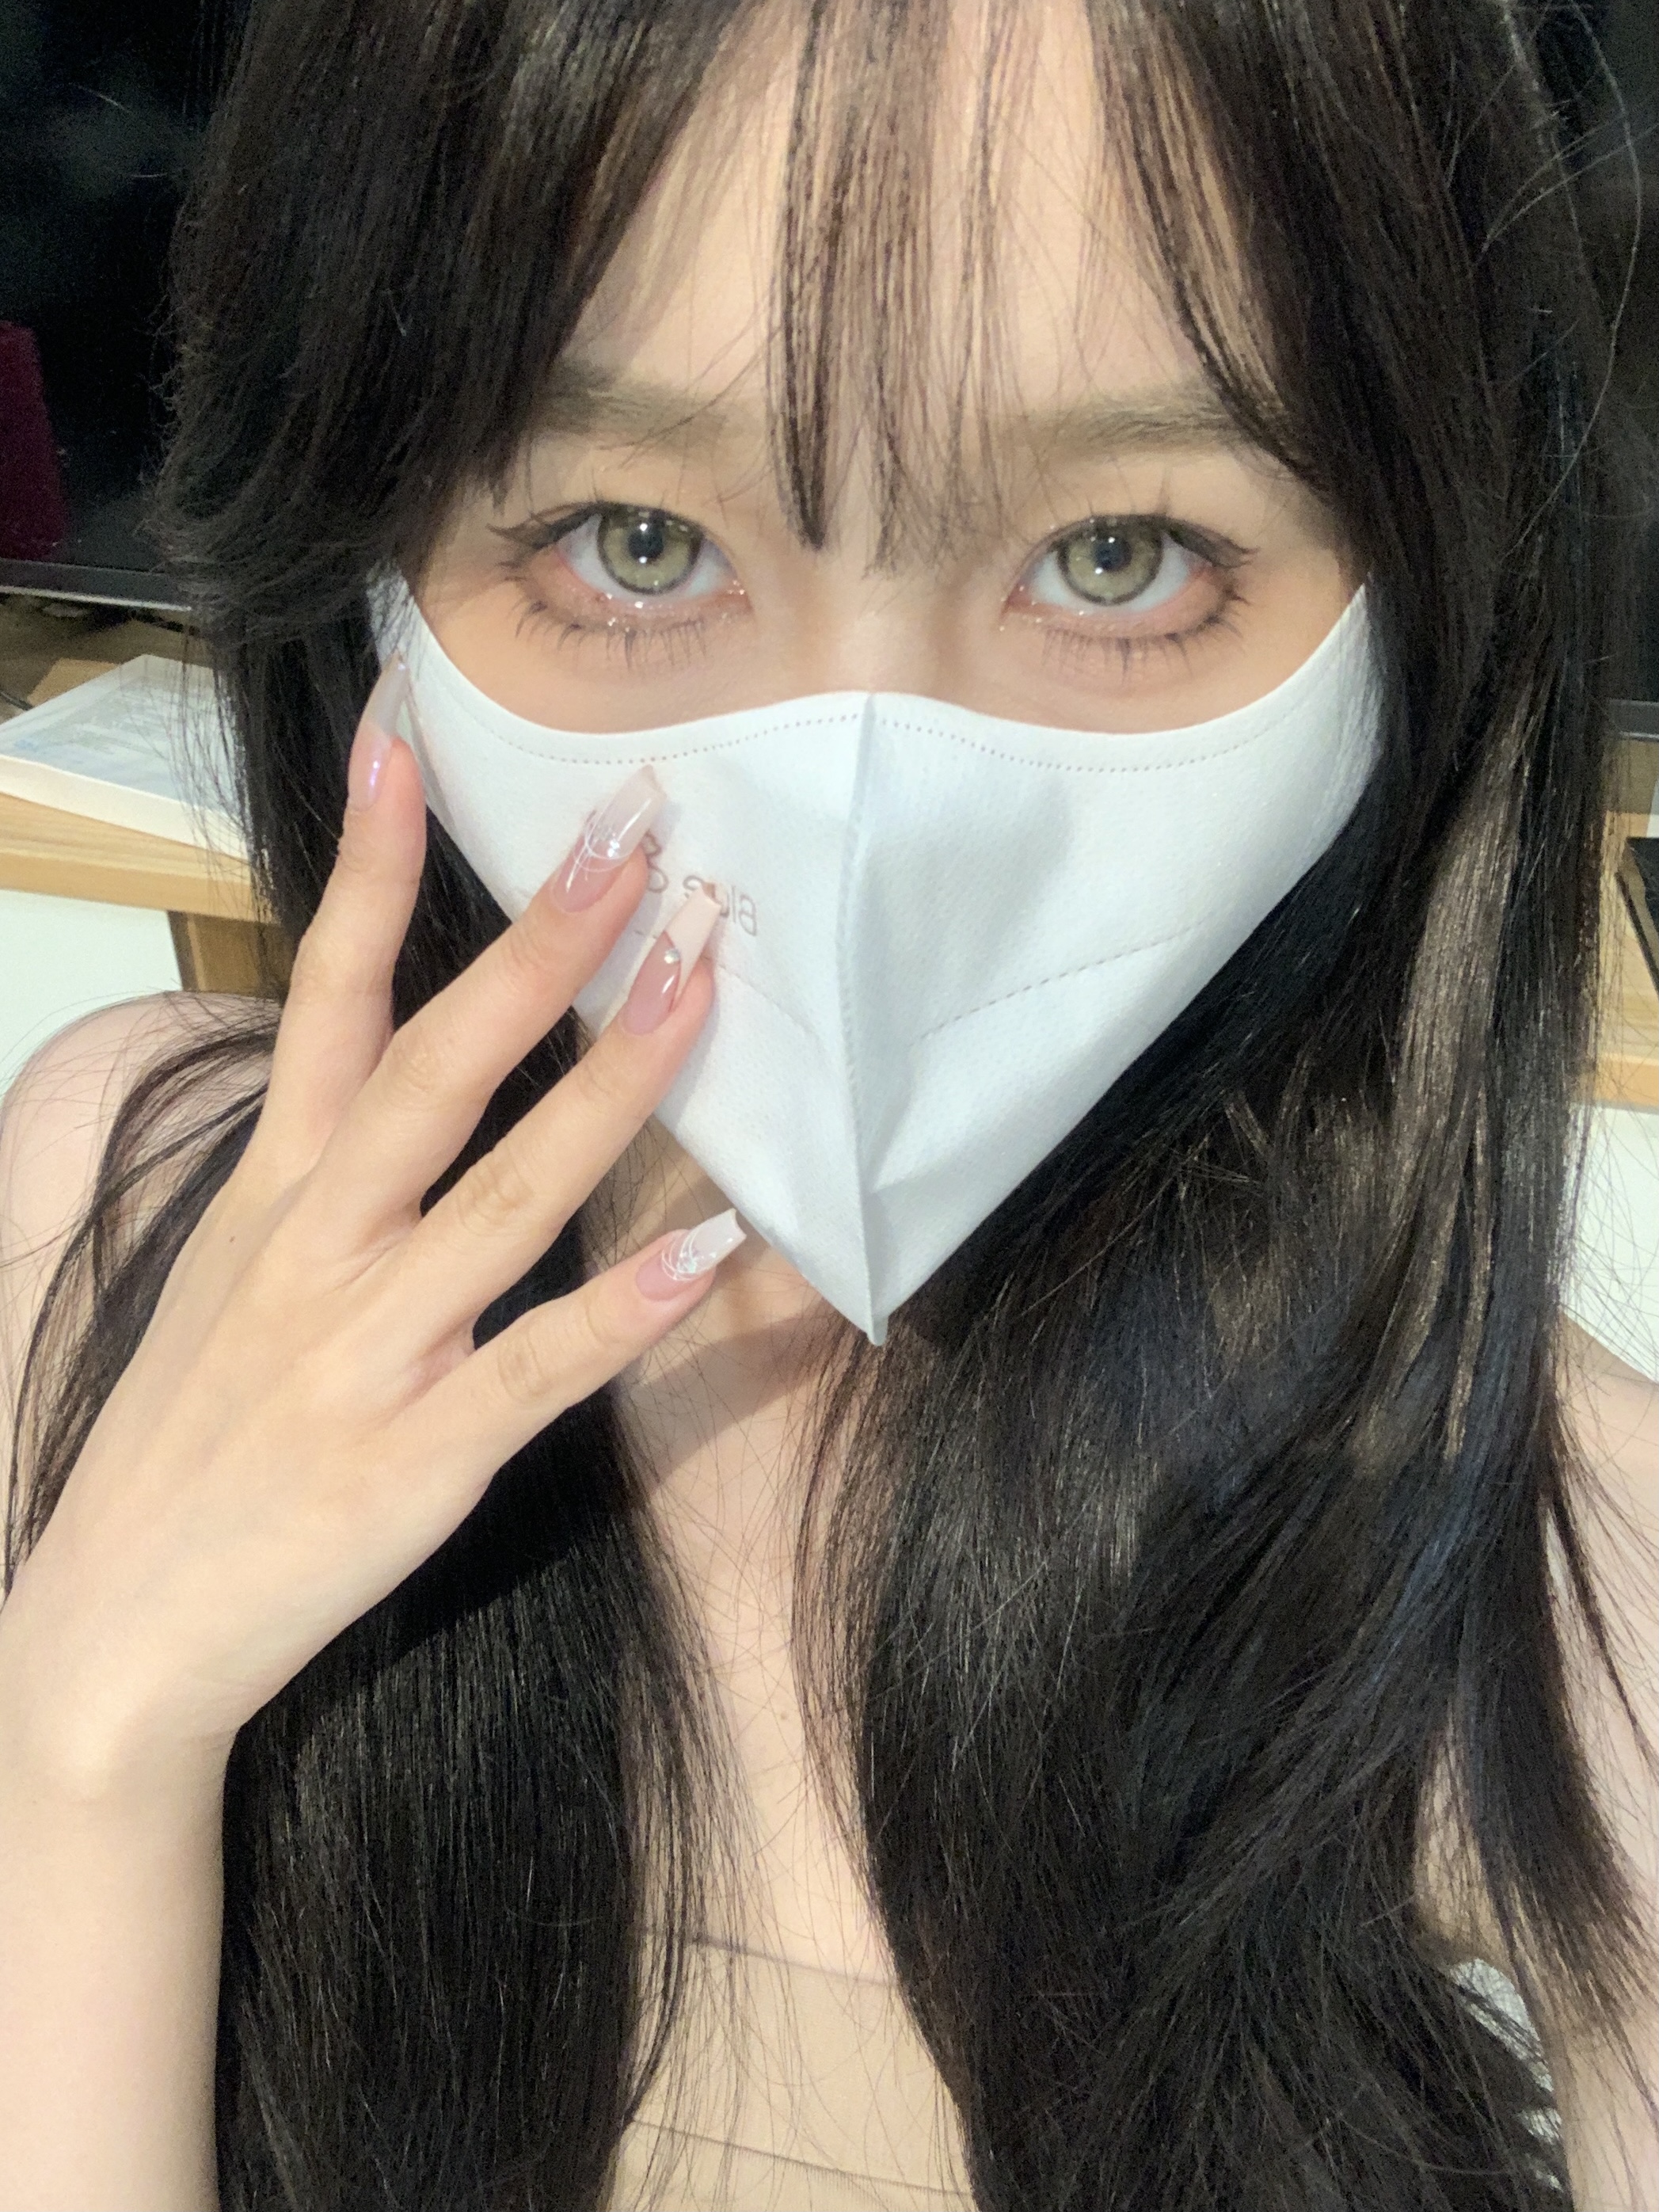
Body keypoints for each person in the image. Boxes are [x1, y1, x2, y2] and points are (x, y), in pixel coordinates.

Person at [0, 0, 1654, 2205]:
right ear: (363, 568)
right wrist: (91, 1738)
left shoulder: (1576, 1579)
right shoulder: (127, 1218)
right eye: (636, 540)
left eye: (1120, 553)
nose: (861, 814)